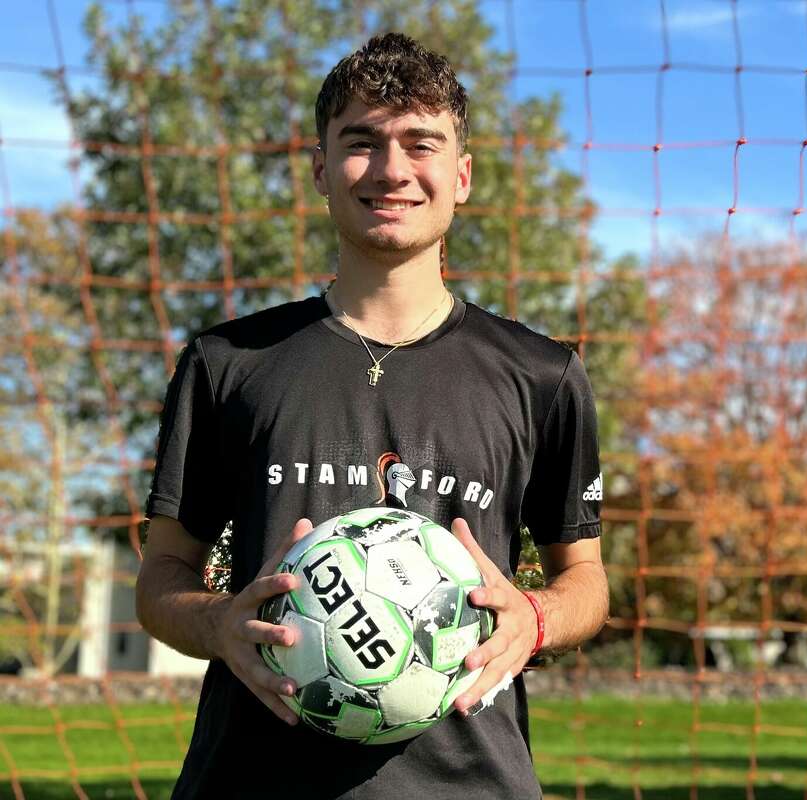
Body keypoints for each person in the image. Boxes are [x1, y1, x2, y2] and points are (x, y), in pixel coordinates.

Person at [135, 32, 608, 799]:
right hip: (250, 780)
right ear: (322, 169)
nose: (392, 170)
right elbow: (160, 577)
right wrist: (219, 624)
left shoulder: (543, 374)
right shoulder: (228, 363)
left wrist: (536, 619)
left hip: (474, 784)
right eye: (362, 142)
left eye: (421, 144)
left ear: (461, 174)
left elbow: (585, 578)